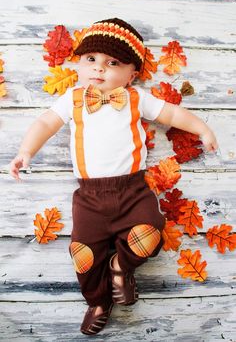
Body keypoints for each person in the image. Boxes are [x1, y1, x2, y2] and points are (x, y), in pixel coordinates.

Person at [9, 18, 218, 335]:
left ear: (132, 73)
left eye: (113, 62)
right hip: (90, 198)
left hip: (132, 191)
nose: (99, 68)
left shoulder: (136, 98)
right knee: (83, 255)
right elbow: (45, 123)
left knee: (151, 231)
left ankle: (120, 266)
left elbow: (172, 114)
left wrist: (202, 127)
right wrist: (26, 151)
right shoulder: (74, 99)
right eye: (91, 59)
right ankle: (98, 300)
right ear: (78, 63)